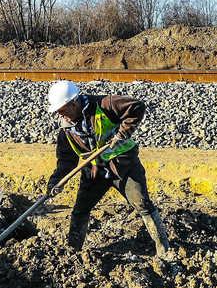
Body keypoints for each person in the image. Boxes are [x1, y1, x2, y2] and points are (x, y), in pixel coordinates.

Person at [44, 80, 172, 259]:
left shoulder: (104, 105)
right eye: (58, 111)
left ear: (74, 102)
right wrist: (56, 182)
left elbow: (137, 107)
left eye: (63, 110)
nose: (60, 114)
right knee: (80, 210)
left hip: (124, 167)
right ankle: (72, 253)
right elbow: (66, 161)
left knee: (142, 203)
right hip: (95, 172)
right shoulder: (66, 131)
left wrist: (122, 133)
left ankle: (164, 251)